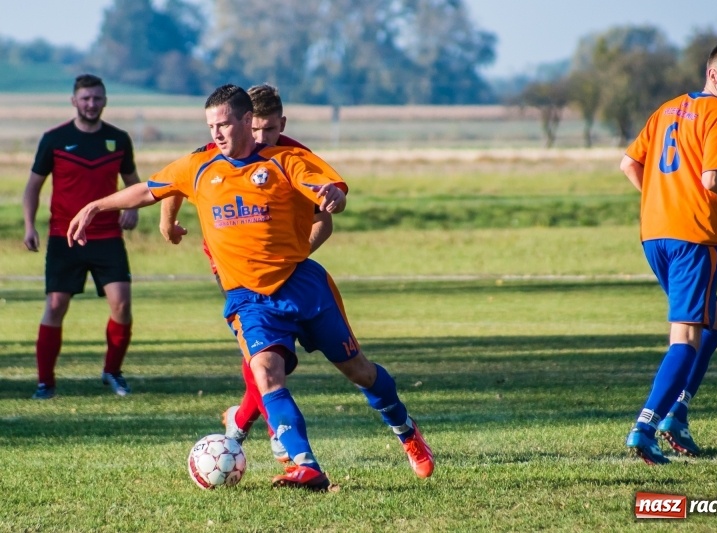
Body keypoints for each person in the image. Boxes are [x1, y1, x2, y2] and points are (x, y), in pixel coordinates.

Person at [67, 84, 435, 490]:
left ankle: (405, 430)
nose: (217, 134)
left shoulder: (287, 159)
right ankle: (305, 464)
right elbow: (151, 189)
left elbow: (327, 193)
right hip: (247, 297)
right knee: (266, 373)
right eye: (211, 126)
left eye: (224, 124)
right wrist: (96, 205)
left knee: (359, 372)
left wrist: (332, 196)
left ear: (246, 121)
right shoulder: (200, 165)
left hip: (302, 286)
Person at [619, 42, 717, 465]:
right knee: (686, 337)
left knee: (714, 320)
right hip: (694, 238)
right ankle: (646, 426)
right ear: (713, 76)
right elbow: (713, 179)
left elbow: (629, 164)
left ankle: (678, 413)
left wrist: (662, 200)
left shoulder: (667, 109)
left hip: (655, 235)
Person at [159, 83, 332, 465]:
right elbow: (173, 181)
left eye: (269, 130)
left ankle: (240, 419)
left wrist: (293, 256)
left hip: (285, 270)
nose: (260, 138)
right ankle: (273, 430)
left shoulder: (292, 156)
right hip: (229, 264)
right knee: (261, 346)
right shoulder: (217, 150)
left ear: (279, 124)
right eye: (255, 130)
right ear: (245, 121)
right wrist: (167, 223)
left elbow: (324, 220)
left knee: (267, 353)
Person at [23, 74, 141, 400]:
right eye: (86, 98)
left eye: (97, 98)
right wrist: (29, 226)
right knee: (56, 305)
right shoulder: (54, 139)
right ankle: (45, 383)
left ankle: (112, 371)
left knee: (122, 304)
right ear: (74, 101)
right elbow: (33, 186)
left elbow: (134, 183)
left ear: (105, 101)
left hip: (107, 237)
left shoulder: (118, 139)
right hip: (65, 237)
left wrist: (133, 209)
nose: (92, 104)